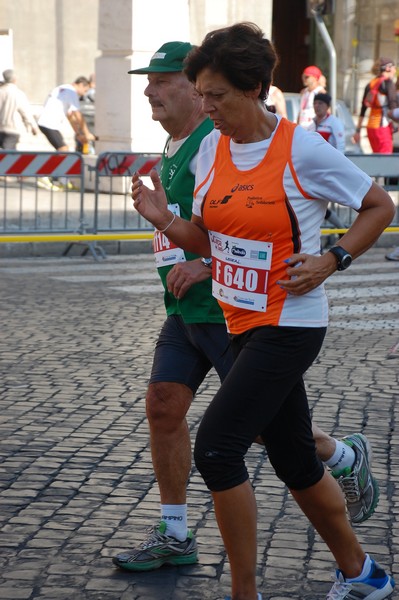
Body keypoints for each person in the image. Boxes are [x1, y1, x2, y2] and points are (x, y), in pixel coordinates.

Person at [130, 23, 396, 600]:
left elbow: (379, 205)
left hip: (290, 324)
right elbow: (209, 239)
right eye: (200, 93)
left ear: (254, 88)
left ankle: (243, 593)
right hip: (238, 320)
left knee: (218, 448)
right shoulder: (213, 150)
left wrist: (333, 259)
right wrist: (164, 220)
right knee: (295, 460)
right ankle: (365, 576)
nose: (207, 107)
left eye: (217, 95)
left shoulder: (299, 147)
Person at [37, 76, 95, 190]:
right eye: (85, 90)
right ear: (80, 85)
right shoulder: (71, 92)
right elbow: (77, 115)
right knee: (63, 150)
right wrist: (87, 133)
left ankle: (63, 180)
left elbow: (70, 116)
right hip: (49, 123)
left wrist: (79, 133)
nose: (84, 94)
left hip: (47, 123)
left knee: (63, 151)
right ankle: (43, 175)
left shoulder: (63, 89)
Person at [309, 92, 347, 240]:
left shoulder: (334, 123)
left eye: (321, 104)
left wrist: (339, 169)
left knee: (319, 205)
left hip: (329, 170)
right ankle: (337, 232)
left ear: (327, 107)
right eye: (315, 103)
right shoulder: (311, 124)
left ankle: (340, 231)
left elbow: (340, 146)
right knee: (317, 205)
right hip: (313, 171)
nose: (317, 106)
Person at [353, 57, 397, 154]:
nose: (395, 70)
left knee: (377, 158)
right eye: (394, 67)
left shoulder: (370, 84)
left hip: (371, 128)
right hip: (383, 127)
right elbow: (393, 107)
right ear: (388, 68)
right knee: (385, 161)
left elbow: (363, 110)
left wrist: (358, 131)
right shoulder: (388, 83)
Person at [0, 69, 38, 150]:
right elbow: (26, 112)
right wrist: (34, 127)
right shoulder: (18, 93)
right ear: (14, 80)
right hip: (12, 129)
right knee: (8, 156)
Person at [297, 64, 326, 130]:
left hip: (314, 128)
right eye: (303, 76)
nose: (304, 79)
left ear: (315, 78)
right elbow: (301, 111)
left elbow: (325, 113)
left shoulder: (320, 92)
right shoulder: (303, 92)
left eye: (307, 77)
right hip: (302, 127)